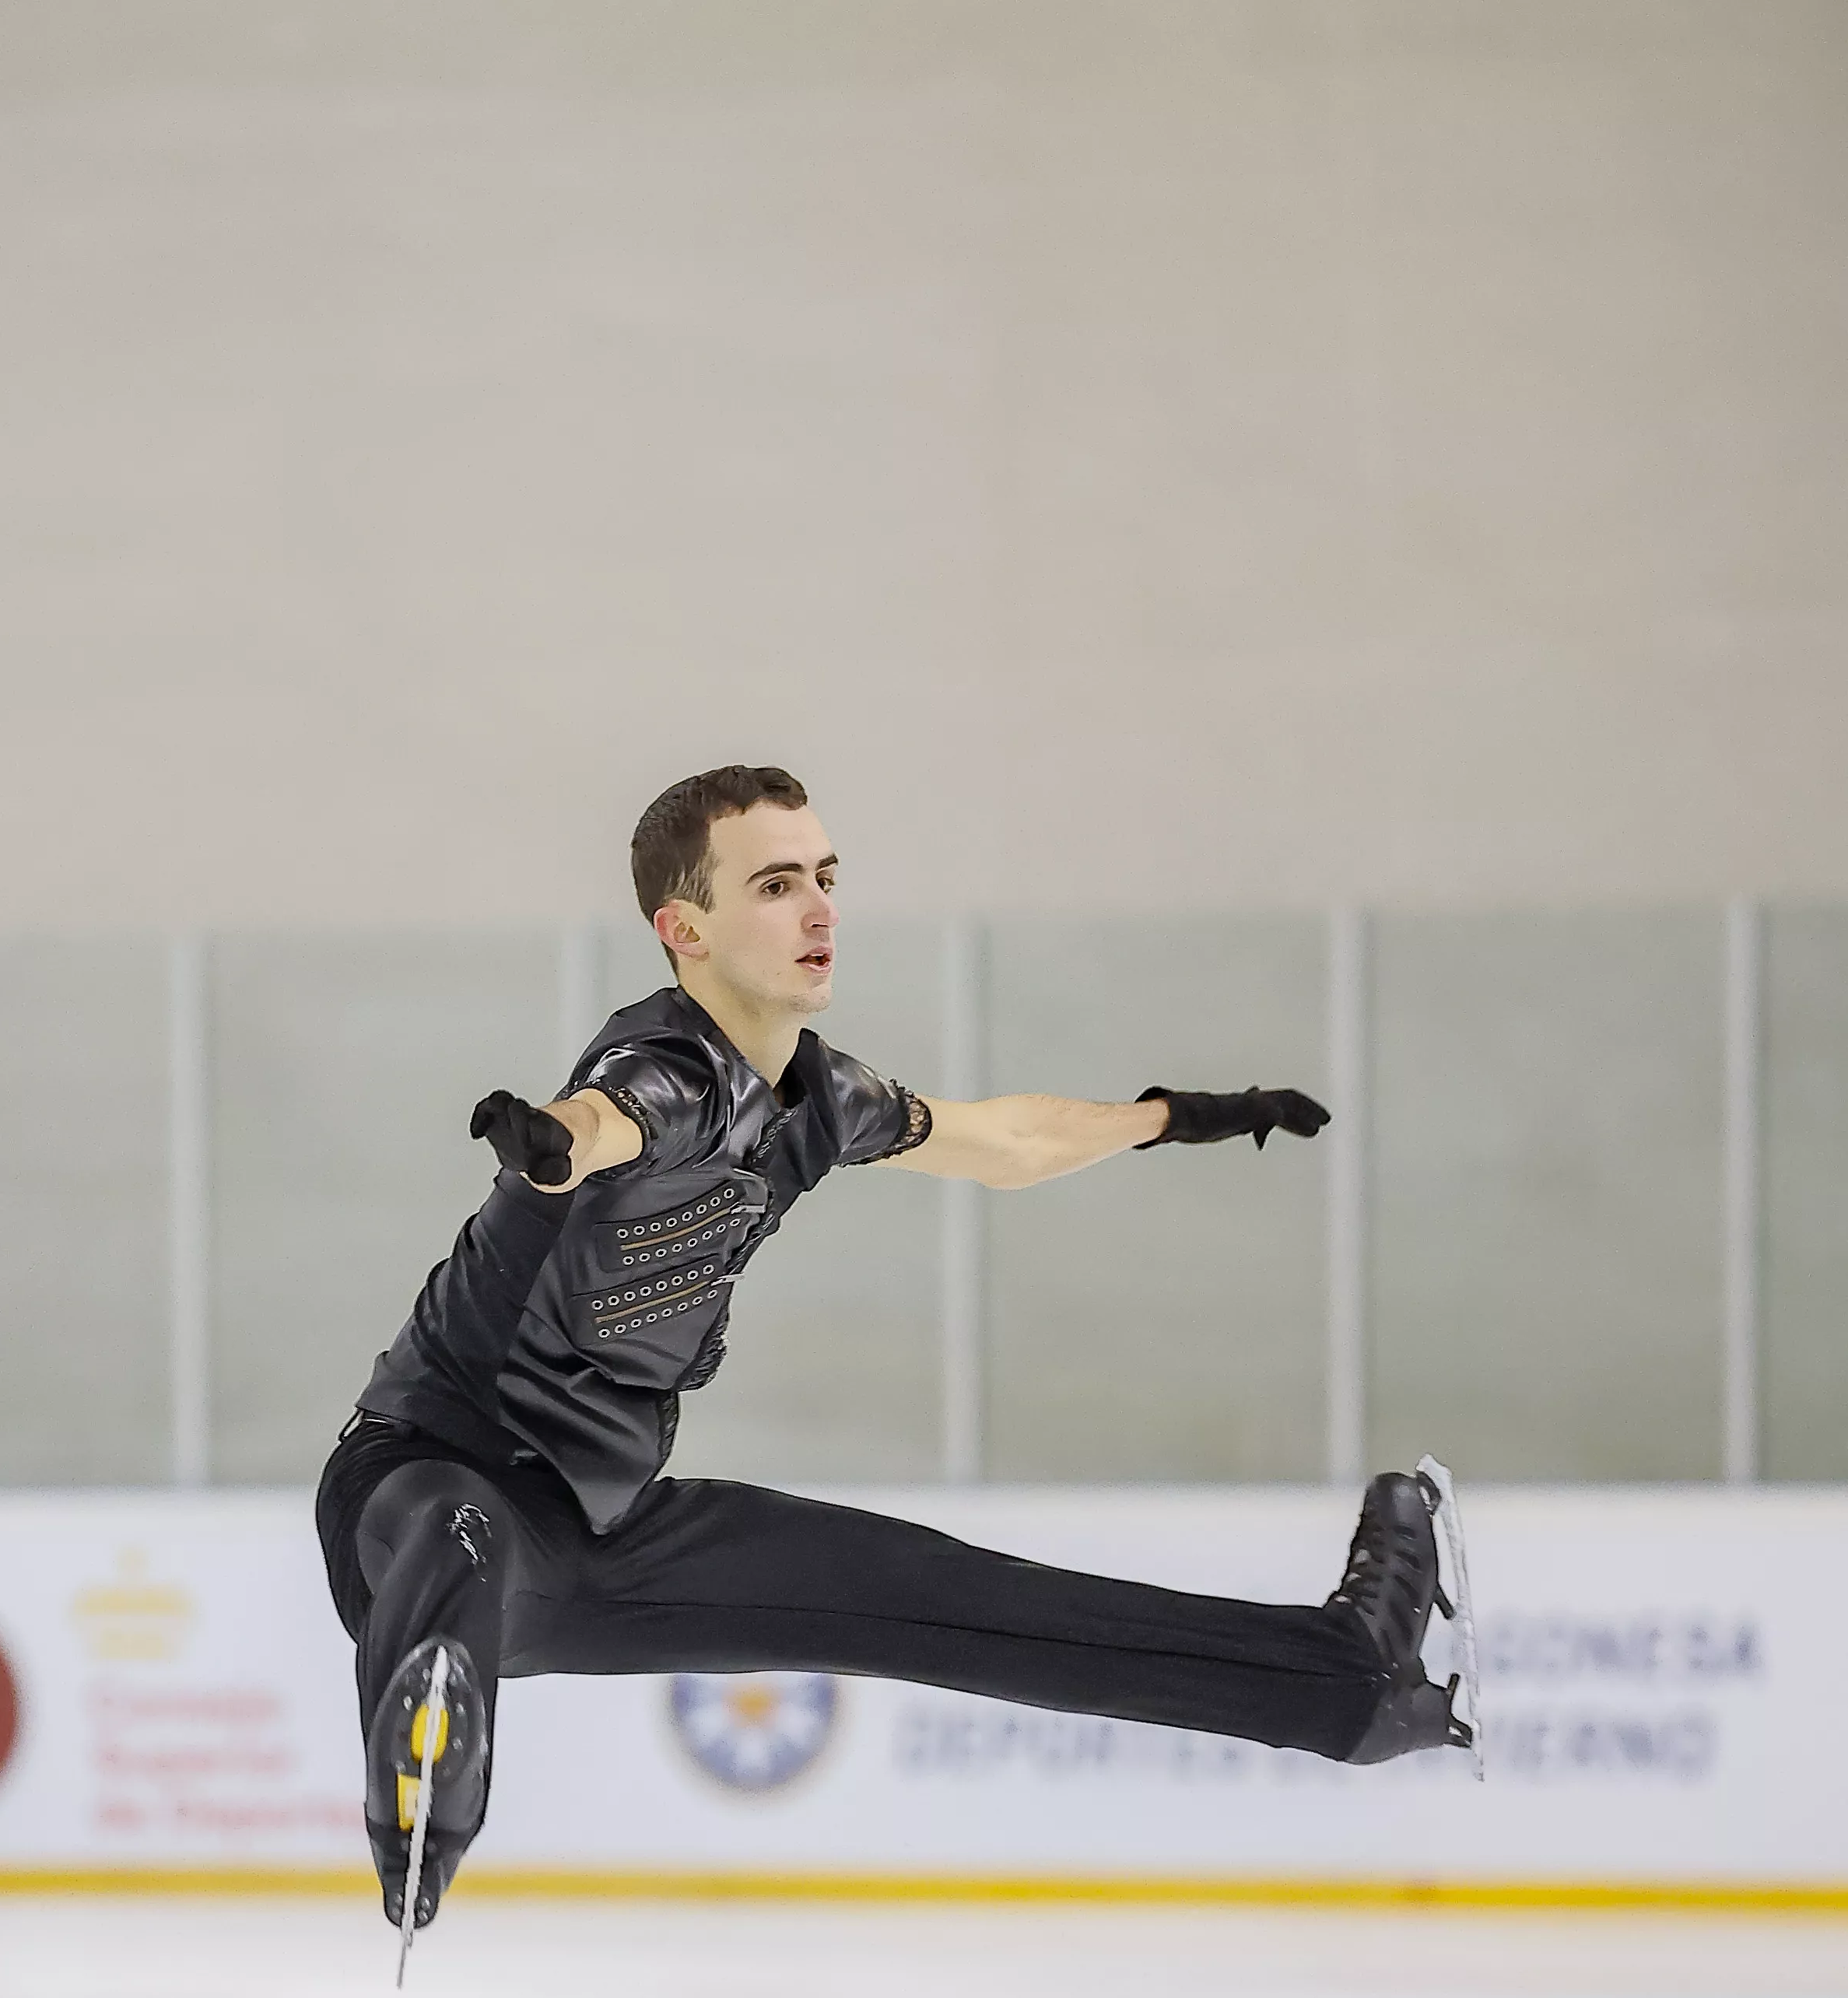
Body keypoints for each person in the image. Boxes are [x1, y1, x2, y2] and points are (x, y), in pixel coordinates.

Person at [317, 764, 1469, 1930]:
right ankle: (423, 1789)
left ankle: (1347, 1685)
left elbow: (1005, 1140)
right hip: (420, 1483)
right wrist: (552, 1142)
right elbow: (609, 1120)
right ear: (686, 931)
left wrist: (1178, 1115)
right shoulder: (658, 1073)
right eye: (774, 884)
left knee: (957, 1598)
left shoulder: (824, 1101)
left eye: (824, 877)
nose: (818, 908)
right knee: (453, 1539)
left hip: (602, 1532)